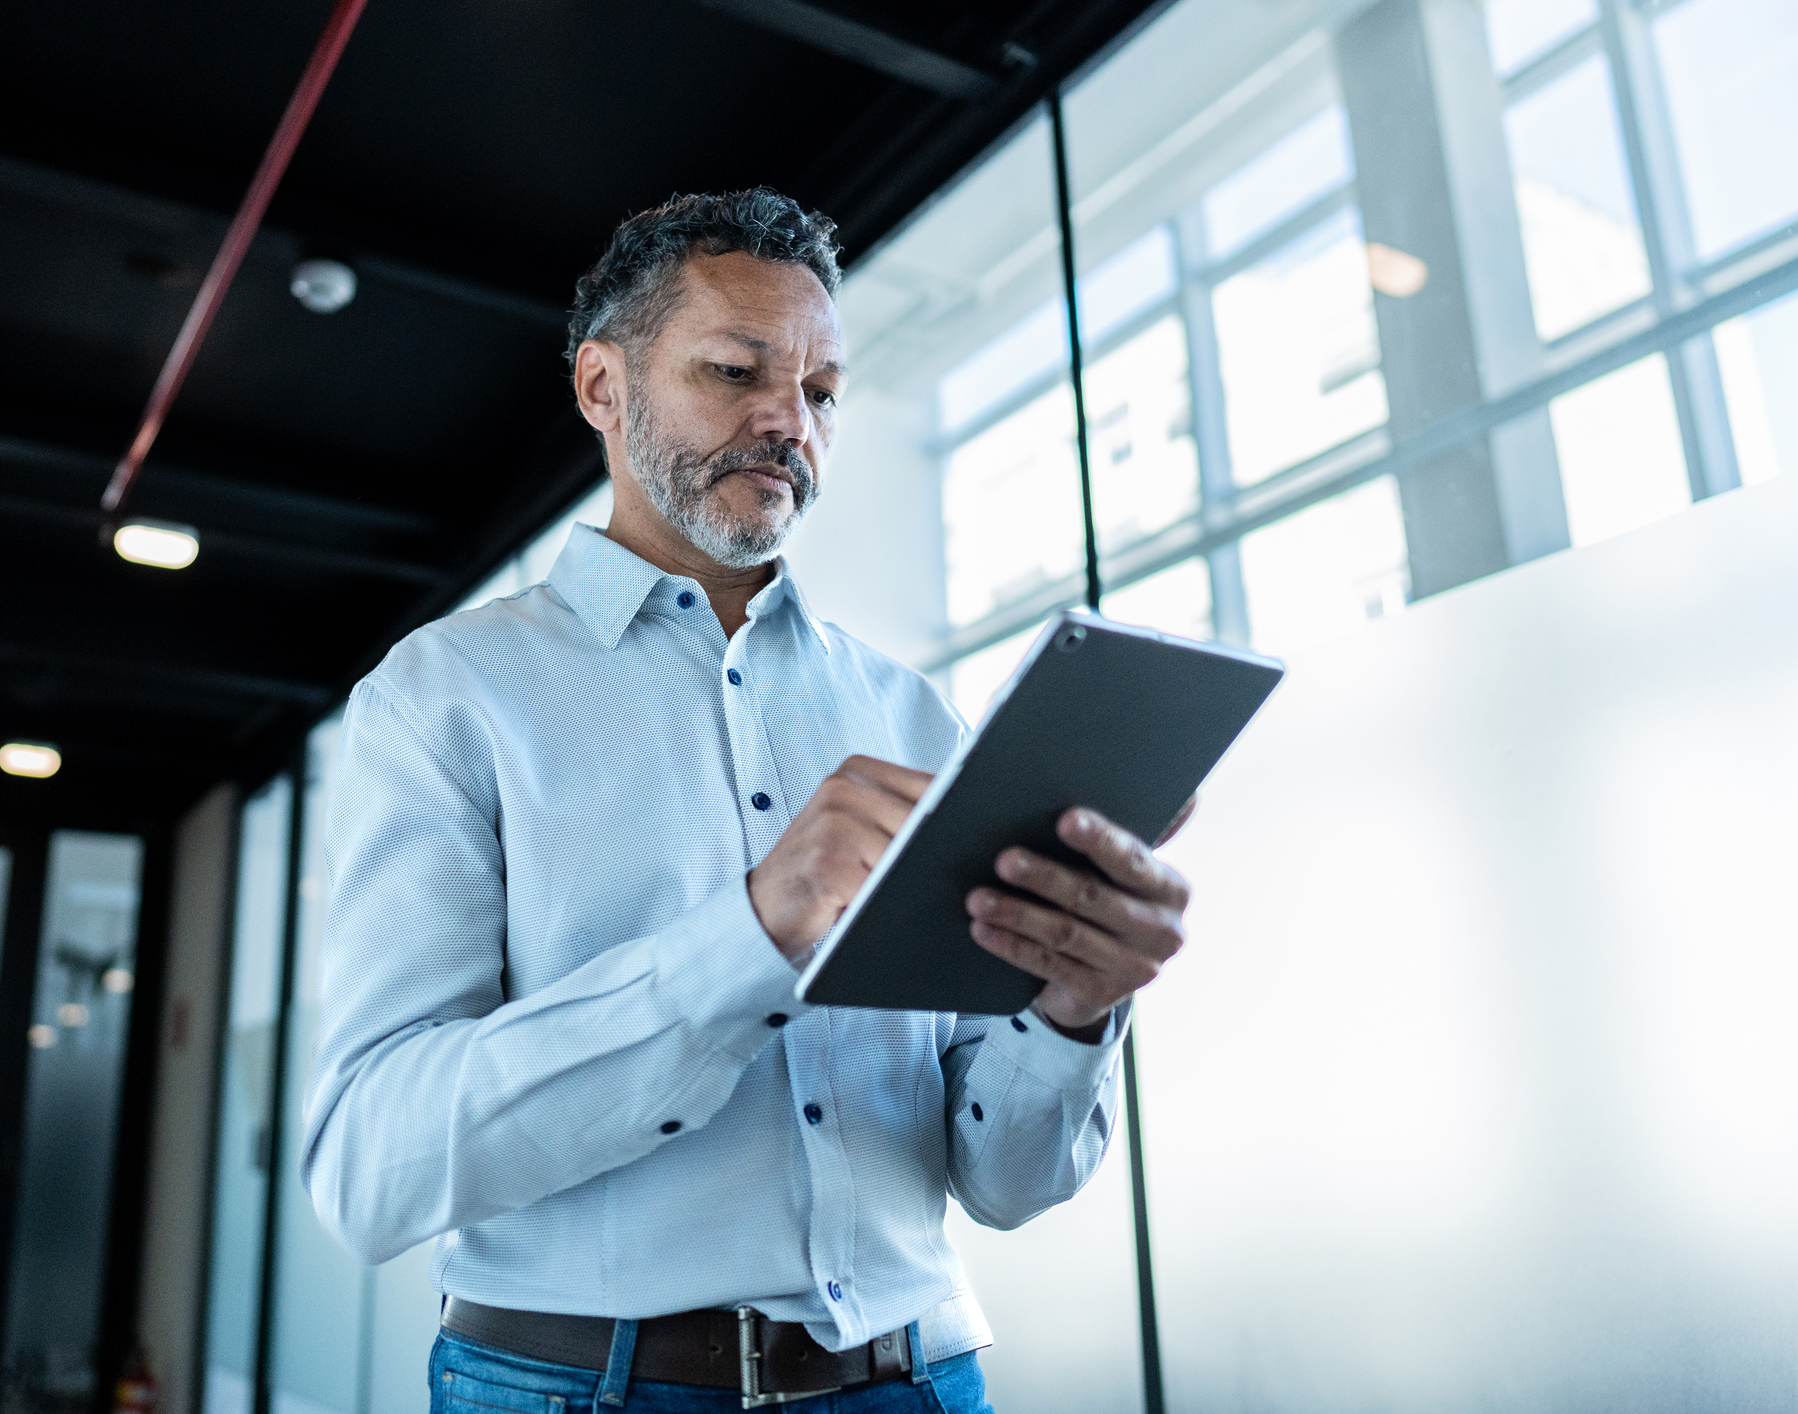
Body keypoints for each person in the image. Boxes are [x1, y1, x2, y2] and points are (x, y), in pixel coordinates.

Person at [304, 189, 1193, 1413]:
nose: (789, 424)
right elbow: (368, 1169)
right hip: (578, 1390)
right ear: (603, 389)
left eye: (821, 393)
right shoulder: (444, 699)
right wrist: (753, 934)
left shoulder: (913, 718)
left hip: (920, 1376)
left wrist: (1078, 1007)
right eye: (735, 371)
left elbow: (1003, 1181)